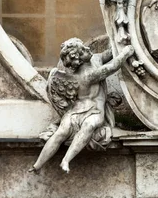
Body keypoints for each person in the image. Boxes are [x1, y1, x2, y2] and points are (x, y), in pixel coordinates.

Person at [29, 39, 134, 173]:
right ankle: (38, 165)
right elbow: (113, 66)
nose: (88, 49)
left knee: (81, 128)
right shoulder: (87, 75)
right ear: (78, 60)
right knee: (63, 132)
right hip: (83, 111)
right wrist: (127, 51)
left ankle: (64, 161)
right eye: (83, 50)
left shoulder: (96, 58)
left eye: (85, 47)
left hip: (85, 111)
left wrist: (119, 41)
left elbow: (110, 53)